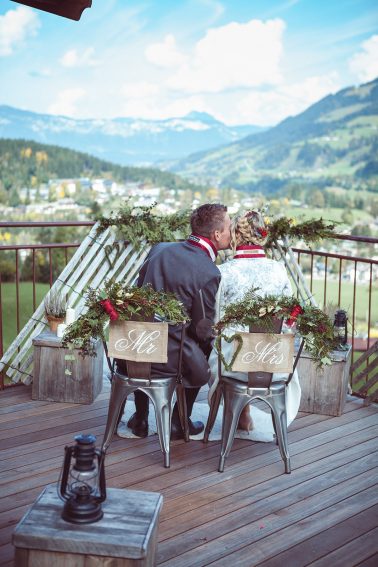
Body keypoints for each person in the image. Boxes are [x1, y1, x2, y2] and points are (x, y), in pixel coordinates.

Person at [123, 203, 231, 439]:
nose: (231, 233)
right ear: (217, 235)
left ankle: (140, 417)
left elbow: (137, 299)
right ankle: (179, 421)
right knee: (202, 352)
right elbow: (202, 330)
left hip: (133, 351)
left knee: (146, 336)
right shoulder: (209, 271)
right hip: (170, 360)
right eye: (229, 227)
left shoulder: (159, 249)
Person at [208, 210, 301, 441]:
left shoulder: (224, 272)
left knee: (222, 344)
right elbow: (290, 319)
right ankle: (271, 419)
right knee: (273, 344)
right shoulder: (278, 269)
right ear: (262, 235)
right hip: (273, 363)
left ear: (234, 235)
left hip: (235, 363)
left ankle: (241, 412)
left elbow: (214, 321)